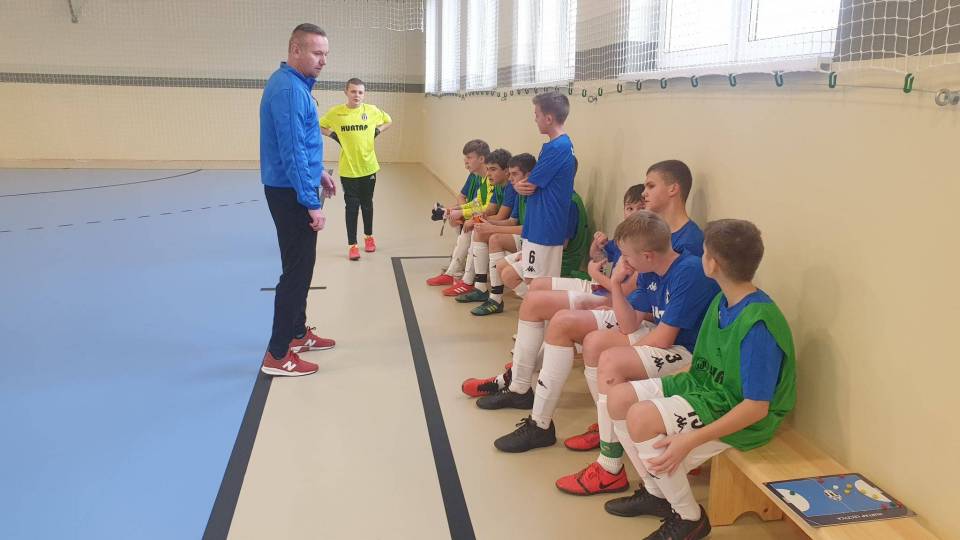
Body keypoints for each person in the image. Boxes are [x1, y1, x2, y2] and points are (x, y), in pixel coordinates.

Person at [602, 219, 795, 540]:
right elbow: (701, 366)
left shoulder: (758, 323)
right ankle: (655, 493)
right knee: (619, 398)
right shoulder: (723, 301)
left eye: (704, 252)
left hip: (740, 411)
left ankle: (689, 518)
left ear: (712, 263)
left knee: (640, 417)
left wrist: (691, 440)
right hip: (707, 387)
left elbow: (757, 408)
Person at [258, 23, 337, 377]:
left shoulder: (294, 85)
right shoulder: (290, 90)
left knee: (302, 267)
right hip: (290, 193)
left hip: (293, 186)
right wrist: (311, 202)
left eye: (325, 54)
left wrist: (318, 172)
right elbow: (291, 152)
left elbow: (302, 143)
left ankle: (297, 332)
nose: (323, 61)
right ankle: (277, 354)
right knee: (296, 272)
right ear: (295, 50)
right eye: (317, 53)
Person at [320, 78, 392, 260]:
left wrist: (378, 131)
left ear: (364, 94)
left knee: (367, 204)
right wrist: (333, 134)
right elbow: (319, 125)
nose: (357, 95)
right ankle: (352, 245)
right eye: (353, 91)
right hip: (348, 170)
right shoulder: (336, 113)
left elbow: (388, 120)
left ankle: (369, 237)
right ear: (346, 92)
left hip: (369, 168)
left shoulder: (371, 110)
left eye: (360, 92)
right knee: (351, 207)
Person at [426, 140, 491, 289]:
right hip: (483, 215)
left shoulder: (490, 179)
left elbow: (488, 208)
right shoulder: (480, 177)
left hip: (494, 220)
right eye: (465, 157)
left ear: (481, 159)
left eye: (469, 157)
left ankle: (465, 277)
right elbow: (476, 203)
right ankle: (454, 272)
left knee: (471, 228)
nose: (465, 161)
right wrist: (450, 211)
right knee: (460, 222)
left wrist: (462, 213)